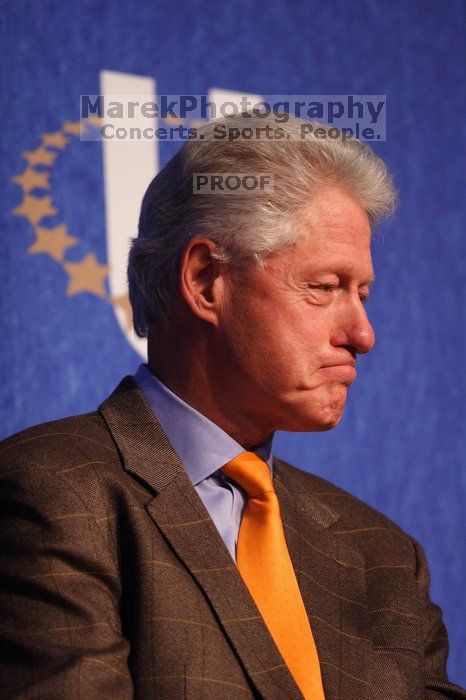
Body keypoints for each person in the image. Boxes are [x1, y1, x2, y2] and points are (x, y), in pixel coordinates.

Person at [0, 113, 464, 700]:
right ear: (205, 281)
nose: (363, 334)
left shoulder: (386, 558)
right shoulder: (52, 492)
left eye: (362, 293)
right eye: (324, 287)